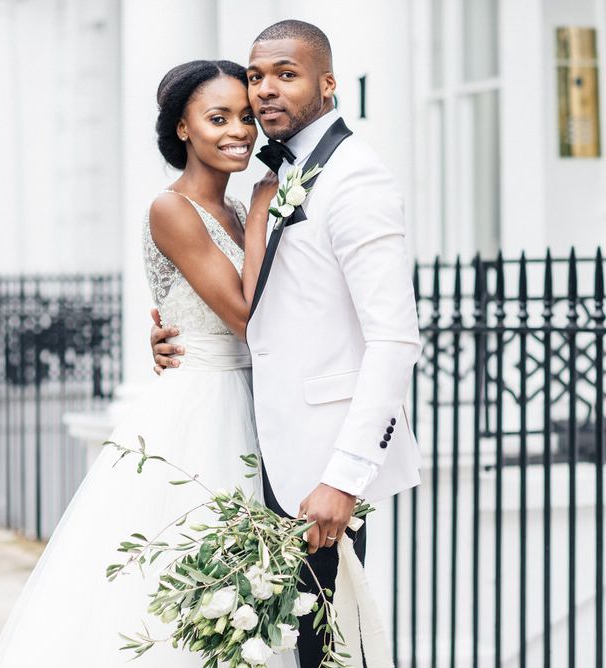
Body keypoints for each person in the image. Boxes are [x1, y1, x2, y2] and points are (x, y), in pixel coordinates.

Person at [0, 60, 296, 667]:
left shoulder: (236, 208)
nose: (239, 129)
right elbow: (245, 313)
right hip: (201, 408)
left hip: (254, 398)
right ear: (183, 129)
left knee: (247, 587)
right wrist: (269, 205)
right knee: (191, 574)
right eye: (218, 118)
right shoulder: (173, 208)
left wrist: (257, 208)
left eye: (245, 116)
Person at [152, 21, 422, 666]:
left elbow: (393, 339)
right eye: (256, 77)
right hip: (259, 443)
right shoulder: (271, 183)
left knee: (327, 644)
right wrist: (175, 331)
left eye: (286, 74)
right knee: (287, 643)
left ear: (328, 83)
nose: (266, 90)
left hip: (322, 466)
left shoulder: (355, 178)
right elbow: (266, 308)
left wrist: (344, 478)